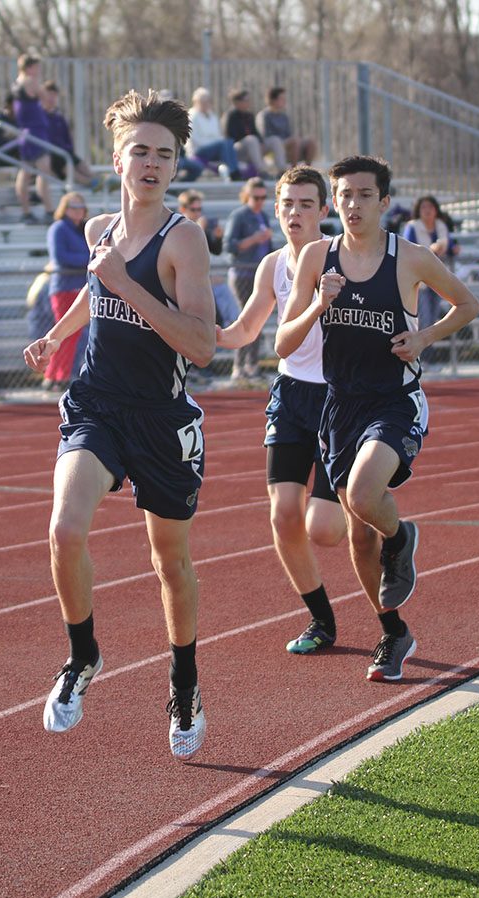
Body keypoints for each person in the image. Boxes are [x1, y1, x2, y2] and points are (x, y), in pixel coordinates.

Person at [23, 89, 216, 759]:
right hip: (97, 404)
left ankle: (185, 681)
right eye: (141, 151)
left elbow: (202, 344)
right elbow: (97, 292)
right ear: (117, 158)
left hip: (159, 420)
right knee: (63, 528)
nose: (152, 163)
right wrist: (56, 335)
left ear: (176, 163)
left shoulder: (183, 239)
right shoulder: (98, 226)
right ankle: (82, 657)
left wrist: (129, 287)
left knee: (170, 563)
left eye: (164, 154)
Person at [275, 155, 479, 681]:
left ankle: (403, 537)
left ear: (383, 201)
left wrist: (424, 338)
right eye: (344, 194)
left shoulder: (408, 257)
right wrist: (318, 305)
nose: (352, 204)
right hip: (339, 407)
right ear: (334, 201)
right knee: (358, 536)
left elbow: (467, 303)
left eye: (364, 195)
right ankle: (393, 631)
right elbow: (283, 341)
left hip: (395, 400)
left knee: (366, 496)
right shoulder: (317, 257)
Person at [217, 166, 346, 652]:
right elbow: (247, 328)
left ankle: (381, 525)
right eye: (287, 204)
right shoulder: (271, 264)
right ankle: (321, 621)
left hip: (339, 400)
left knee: (326, 530)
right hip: (292, 395)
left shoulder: (341, 257)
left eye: (306, 204)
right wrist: (198, 333)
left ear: (323, 210)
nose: (295, 213)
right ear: (275, 209)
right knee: (284, 516)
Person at [223, 176, 273, 380]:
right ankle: (240, 367)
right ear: (247, 196)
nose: (260, 201)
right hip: (243, 274)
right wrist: (253, 240)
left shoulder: (263, 216)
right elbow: (229, 246)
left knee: (258, 322)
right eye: (256, 197)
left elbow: (268, 247)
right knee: (246, 321)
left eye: (263, 197)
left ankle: (252, 365)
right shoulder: (239, 215)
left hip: (259, 275)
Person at [41, 191, 90, 391]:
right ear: (64, 208)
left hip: (79, 288)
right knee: (65, 335)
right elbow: (60, 257)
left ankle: (53, 377)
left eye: (80, 207)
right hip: (64, 288)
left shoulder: (83, 229)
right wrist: (89, 260)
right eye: (72, 207)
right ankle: (58, 377)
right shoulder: (58, 228)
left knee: (72, 335)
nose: (77, 211)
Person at [178, 188, 240, 328]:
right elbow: (188, 254)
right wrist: (199, 230)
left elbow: (215, 250)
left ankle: (236, 329)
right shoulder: (178, 227)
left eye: (200, 209)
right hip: (185, 284)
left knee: (223, 296)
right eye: (193, 210)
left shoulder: (199, 228)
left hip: (201, 281)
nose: (198, 213)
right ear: (183, 209)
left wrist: (218, 237)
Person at [402, 195, 450, 366]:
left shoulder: (441, 226)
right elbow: (409, 250)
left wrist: (452, 247)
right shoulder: (412, 227)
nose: (428, 210)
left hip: (437, 281)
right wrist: (431, 249)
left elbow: (449, 245)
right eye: (424, 207)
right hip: (419, 283)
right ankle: (424, 358)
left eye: (430, 206)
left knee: (434, 318)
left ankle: (429, 357)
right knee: (425, 319)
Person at [10, 53, 55, 224]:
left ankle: (26, 211)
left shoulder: (17, 82)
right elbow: (48, 100)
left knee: (26, 171)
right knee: (44, 170)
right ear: (29, 67)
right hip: (36, 131)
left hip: (25, 132)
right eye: (36, 66)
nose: (38, 70)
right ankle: (49, 209)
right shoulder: (31, 81)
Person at [40, 81, 99, 189]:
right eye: (49, 95)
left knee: (81, 165)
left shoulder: (59, 117)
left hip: (64, 152)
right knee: (67, 167)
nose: (51, 99)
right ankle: (91, 183)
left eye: (54, 96)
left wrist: (69, 150)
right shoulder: (39, 117)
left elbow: (67, 138)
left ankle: (99, 181)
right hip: (51, 155)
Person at [255, 87, 317, 175]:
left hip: (287, 143)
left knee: (310, 141)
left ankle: (307, 171)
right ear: (273, 100)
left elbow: (289, 134)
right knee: (294, 141)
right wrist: (288, 140)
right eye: (282, 99)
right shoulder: (264, 115)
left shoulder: (284, 116)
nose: (284, 101)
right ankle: (294, 171)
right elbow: (266, 135)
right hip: (274, 145)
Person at [186, 87, 241, 181]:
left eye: (207, 101)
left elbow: (218, 135)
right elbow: (195, 140)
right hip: (198, 150)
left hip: (214, 148)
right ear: (196, 102)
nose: (205, 103)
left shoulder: (212, 116)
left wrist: (217, 143)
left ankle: (234, 171)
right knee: (223, 144)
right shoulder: (191, 115)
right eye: (202, 101)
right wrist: (215, 143)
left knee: (229, 141)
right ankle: (232, 172)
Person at [222, 89, 271, 179]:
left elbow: (255, 132)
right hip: (236, 149)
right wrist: (249, 138)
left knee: (274, 140)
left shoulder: (249, 115)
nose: (248, 103)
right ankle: (261, 171)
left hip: (252, 145)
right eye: (246, 100)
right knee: (251, 139)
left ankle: (282, 170)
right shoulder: (231, 116)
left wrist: (261, 142)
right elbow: (230, 136)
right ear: (237, 102)